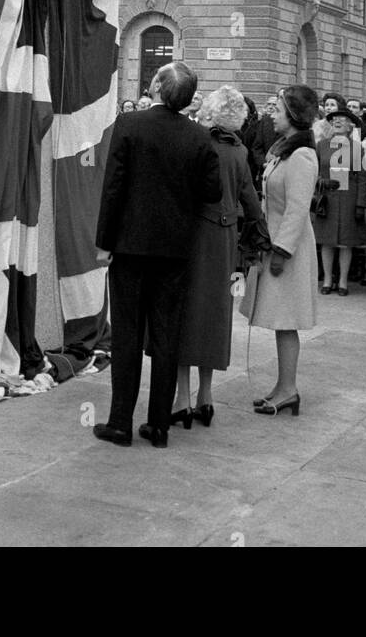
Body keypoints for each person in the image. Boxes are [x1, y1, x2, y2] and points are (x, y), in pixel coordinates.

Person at [93, 61, 222, 448]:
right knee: (167, 335)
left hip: (130, 246)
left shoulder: (130, 126)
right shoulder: (200, 137)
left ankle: (120, 423)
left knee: (128, 335)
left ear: (155, 86)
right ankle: (160, 425)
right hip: (175, 249)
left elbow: (113, 187)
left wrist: (104, 242)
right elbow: (212, 192)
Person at [170, 86, 270, 428]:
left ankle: (181, 398)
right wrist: (260, 235)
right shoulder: (239, 150)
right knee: (216, 314)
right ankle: (206, 397)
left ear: (209, 111)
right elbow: (250, 199)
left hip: (192, 234)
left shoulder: (196, 141)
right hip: (224, 239)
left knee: (184, 313)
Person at [250, 85, 319, 416]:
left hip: (287, 248)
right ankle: (282, 386)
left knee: (286, 318)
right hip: (275, 242)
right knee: (280, 319)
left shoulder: (302, 155)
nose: (272, 115)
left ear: (292, 116)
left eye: (277, 109)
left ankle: (289, 389)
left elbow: (297, 208)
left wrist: (281, 251)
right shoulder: (285, 150)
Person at [314, 105, 366, 295]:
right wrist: (321, 182)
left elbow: (361, 177)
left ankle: (343, 281)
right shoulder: (322, 145)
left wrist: (360, 203)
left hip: (348, 198)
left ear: (350, 126)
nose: (337, 122)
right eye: (334, 119)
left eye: (342, 119)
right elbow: (315, 171)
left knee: (345, 242)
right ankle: (327, 280)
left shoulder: (356, 147)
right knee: (327, 241)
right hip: (327, 198)